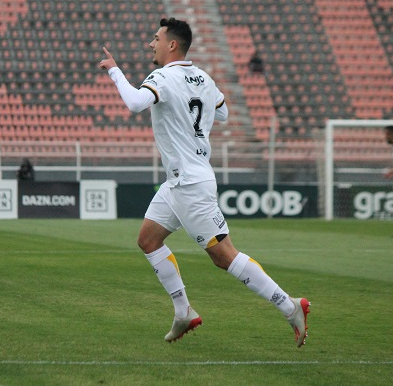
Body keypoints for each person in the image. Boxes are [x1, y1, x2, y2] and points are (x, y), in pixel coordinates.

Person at [98, 17, 310, 346]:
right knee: (148, 240)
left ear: (172, 45)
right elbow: (222, 113)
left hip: (190, 184)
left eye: (155, 38)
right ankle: (183, 311)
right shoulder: (204, 78)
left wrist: (115, 70)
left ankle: (289, 305)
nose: (150, 44)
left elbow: (135, 102)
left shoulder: (163, 77)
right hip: (179, 182)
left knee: (223, 255)